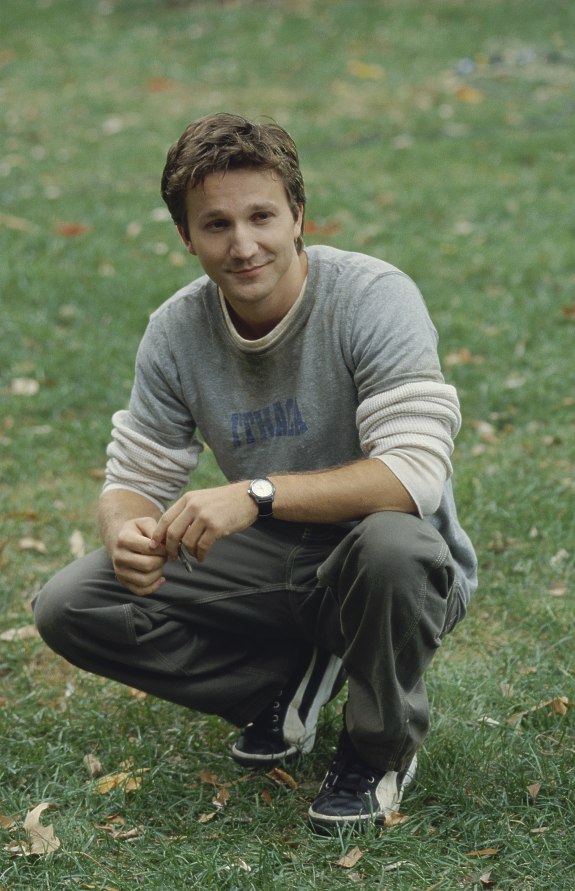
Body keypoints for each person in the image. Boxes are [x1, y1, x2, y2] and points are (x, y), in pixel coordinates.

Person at [33, 112, 477, 831]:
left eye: (261, 216)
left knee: (392, 545)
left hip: (393, 565)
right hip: (275, 559)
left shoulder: (372, 296)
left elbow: (413, 476)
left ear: (298, 215)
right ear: (186, 236)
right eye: (216, 225)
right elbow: (134, 475)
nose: (242, 246)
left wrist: (256, 493)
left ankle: (377, 749)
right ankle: (279, 688)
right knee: (72, 603)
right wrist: (127, 531)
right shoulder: (175, 331)